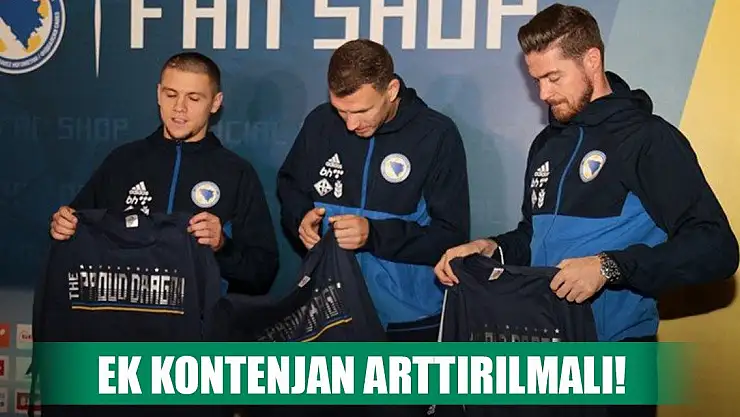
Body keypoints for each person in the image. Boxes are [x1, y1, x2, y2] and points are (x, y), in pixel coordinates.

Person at [435, 4, 738, 416]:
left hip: (619, 357)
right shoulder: (547, 144)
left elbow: (717, 247)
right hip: (547, 356)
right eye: (536, 80)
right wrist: (491, 248)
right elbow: (534, 236)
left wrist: (609, 267)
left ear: (591, 60)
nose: (543, 94)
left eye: (553, 77)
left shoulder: (648, 139)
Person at [278, 38, 470, 341]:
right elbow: (289, 185)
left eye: (362, 111)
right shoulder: (320, 122)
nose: (351, 124)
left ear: (391, 91)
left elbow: (450, 236)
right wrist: (300, 218)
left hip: (406, 319)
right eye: (341, 111)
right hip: (329, 311)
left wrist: (373, 235)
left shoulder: (436, 135)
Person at [49, 52, 279, 296]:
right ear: (158, 94)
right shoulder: (122, 161)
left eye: (193, 98)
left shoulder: (236, 173)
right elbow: (75, 232)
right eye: (171, 95)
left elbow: (262, 273)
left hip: (199, 319)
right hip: (124, 315)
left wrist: (222, 246)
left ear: (215, 103)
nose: (179, 107)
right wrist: (64, 227)